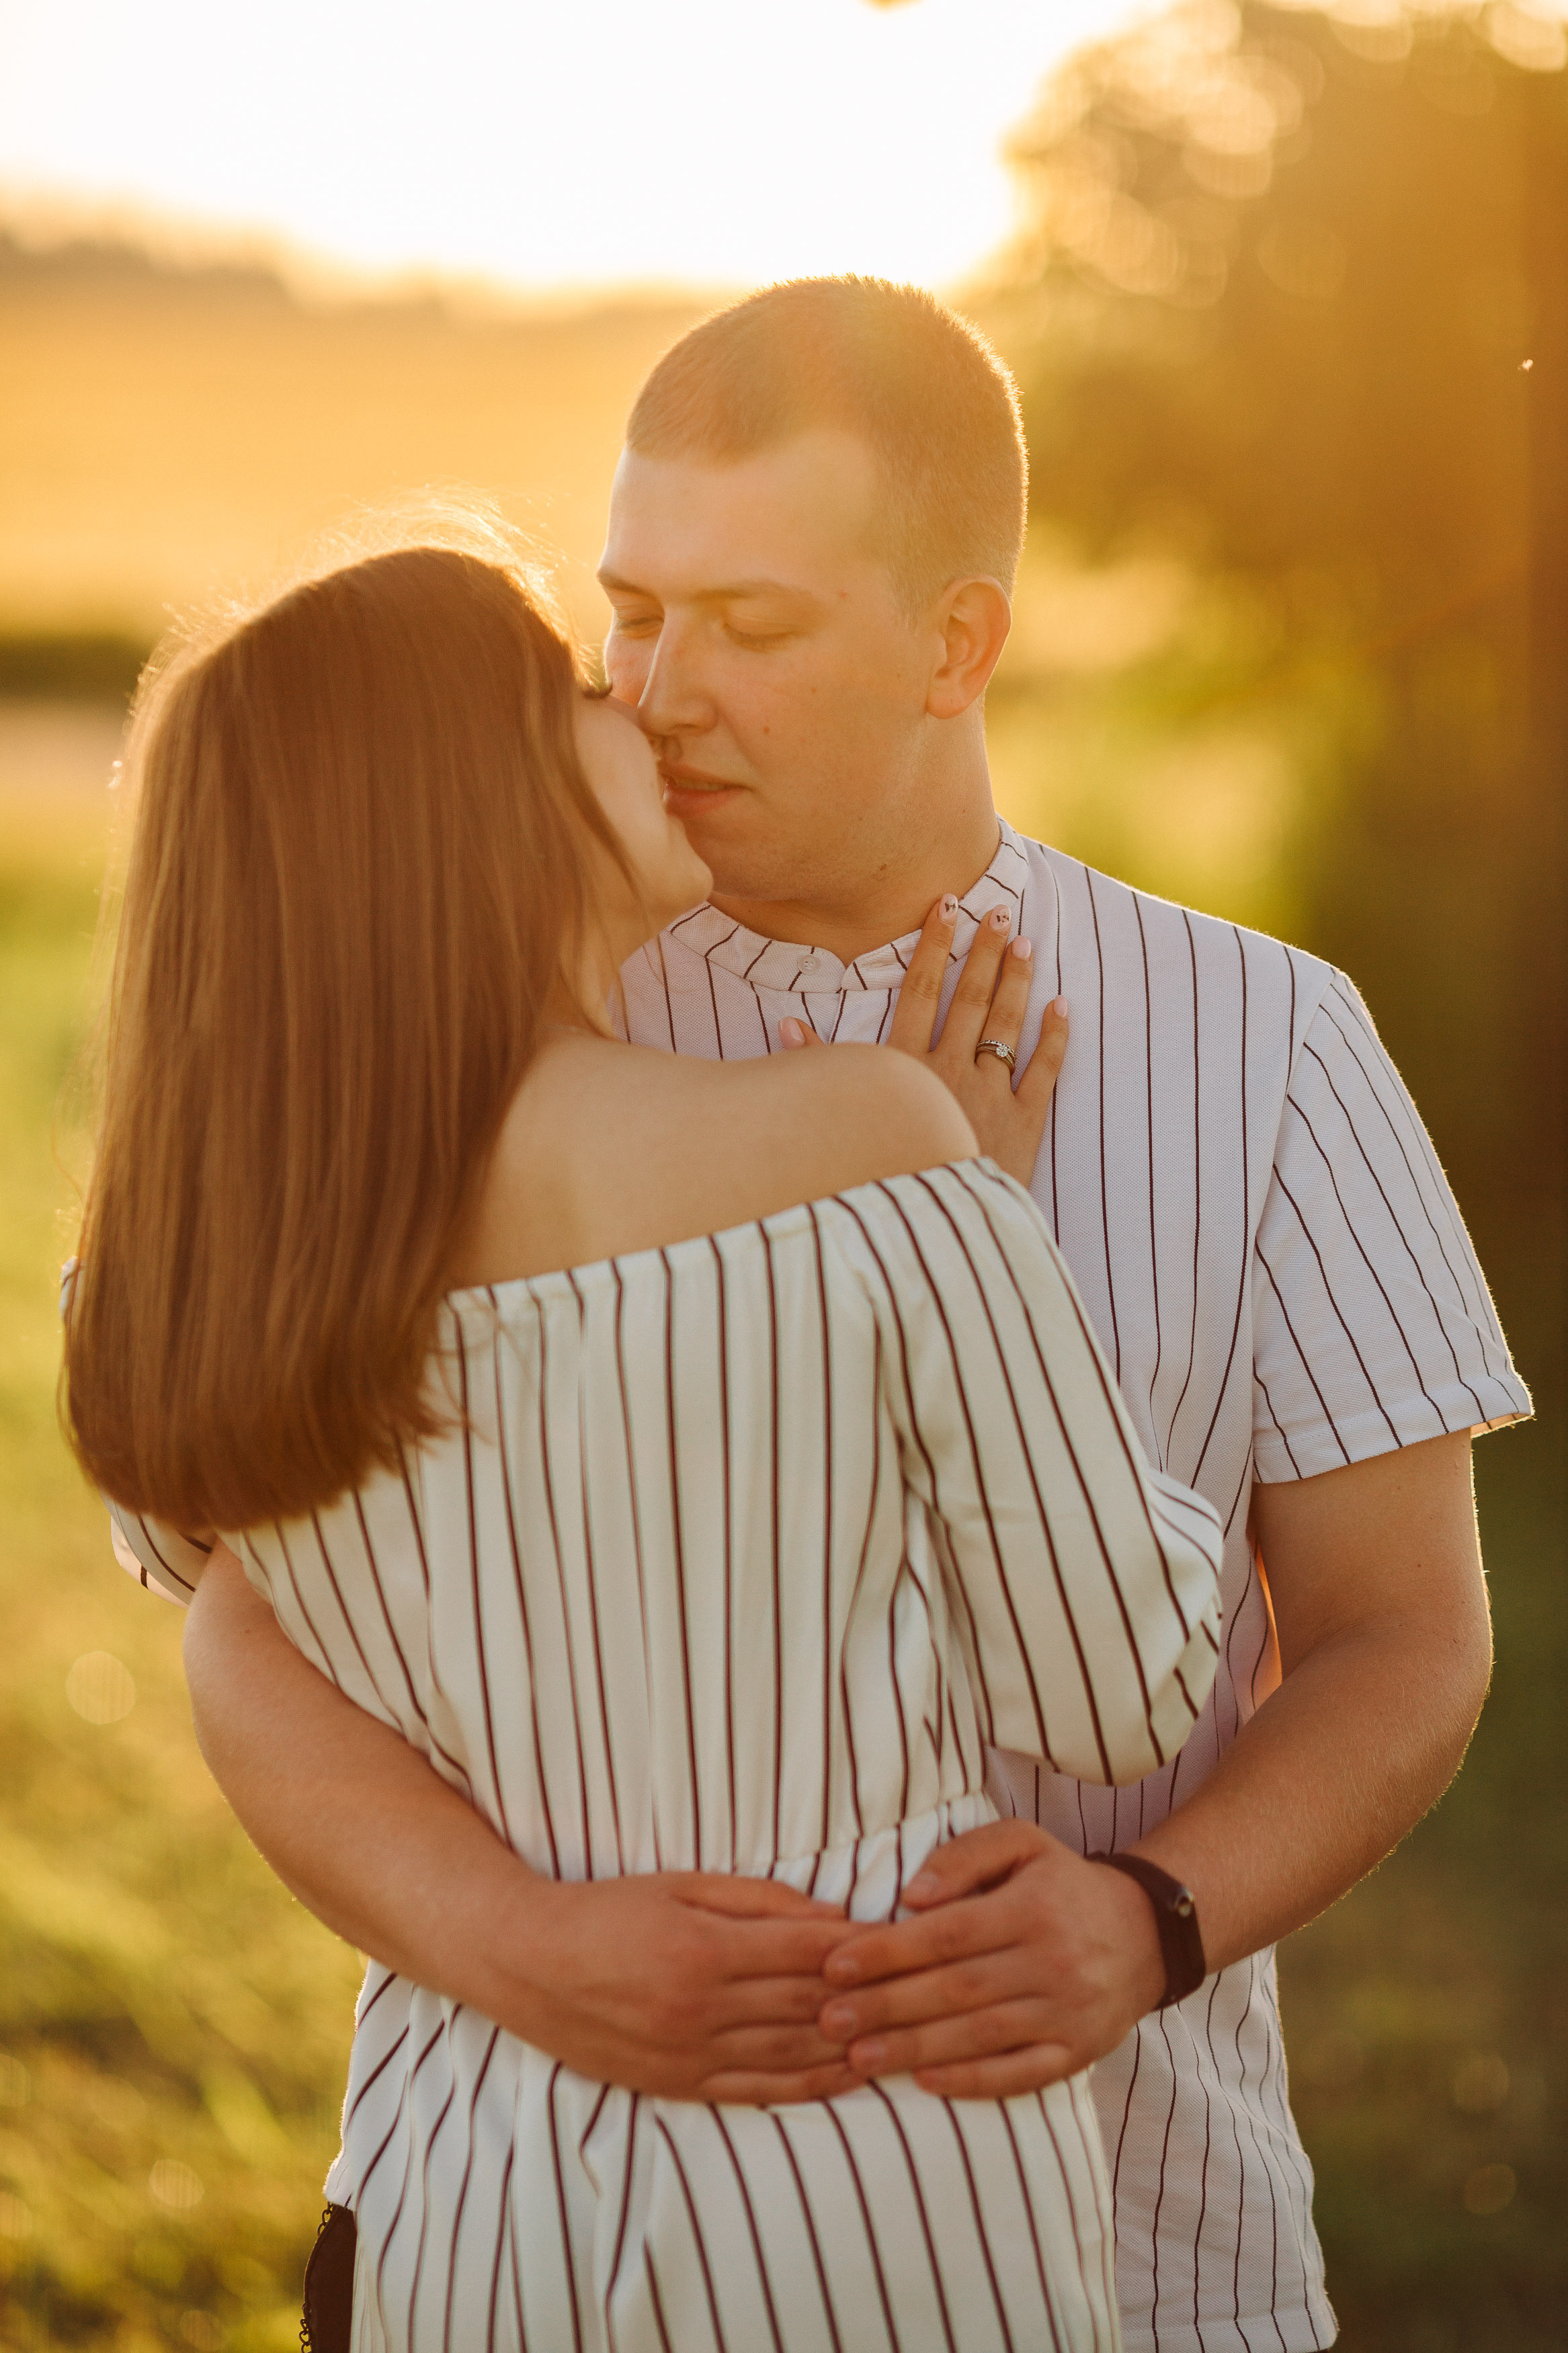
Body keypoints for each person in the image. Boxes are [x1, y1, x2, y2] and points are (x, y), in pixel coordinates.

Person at [110, 281, 1530, 2352]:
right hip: (541, 2197)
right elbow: (241, 1603)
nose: (663, 688)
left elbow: (1409, 1635)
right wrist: (512, 1938)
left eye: (750, 629)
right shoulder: (461, 1002)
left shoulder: (1268, 1041)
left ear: (958, 644)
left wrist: (1153, 1920)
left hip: (1121, 2230)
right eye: (631, 614)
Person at [66, 532, 1227, 2349]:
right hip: (874, 2177)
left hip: (462, 2204)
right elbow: (1117, 1686)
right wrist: (983, 1221)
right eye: (588, 692)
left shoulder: (177, 1292)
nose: (649, 712)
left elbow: (241, 1624)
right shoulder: (864, 1137)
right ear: (478, 790)